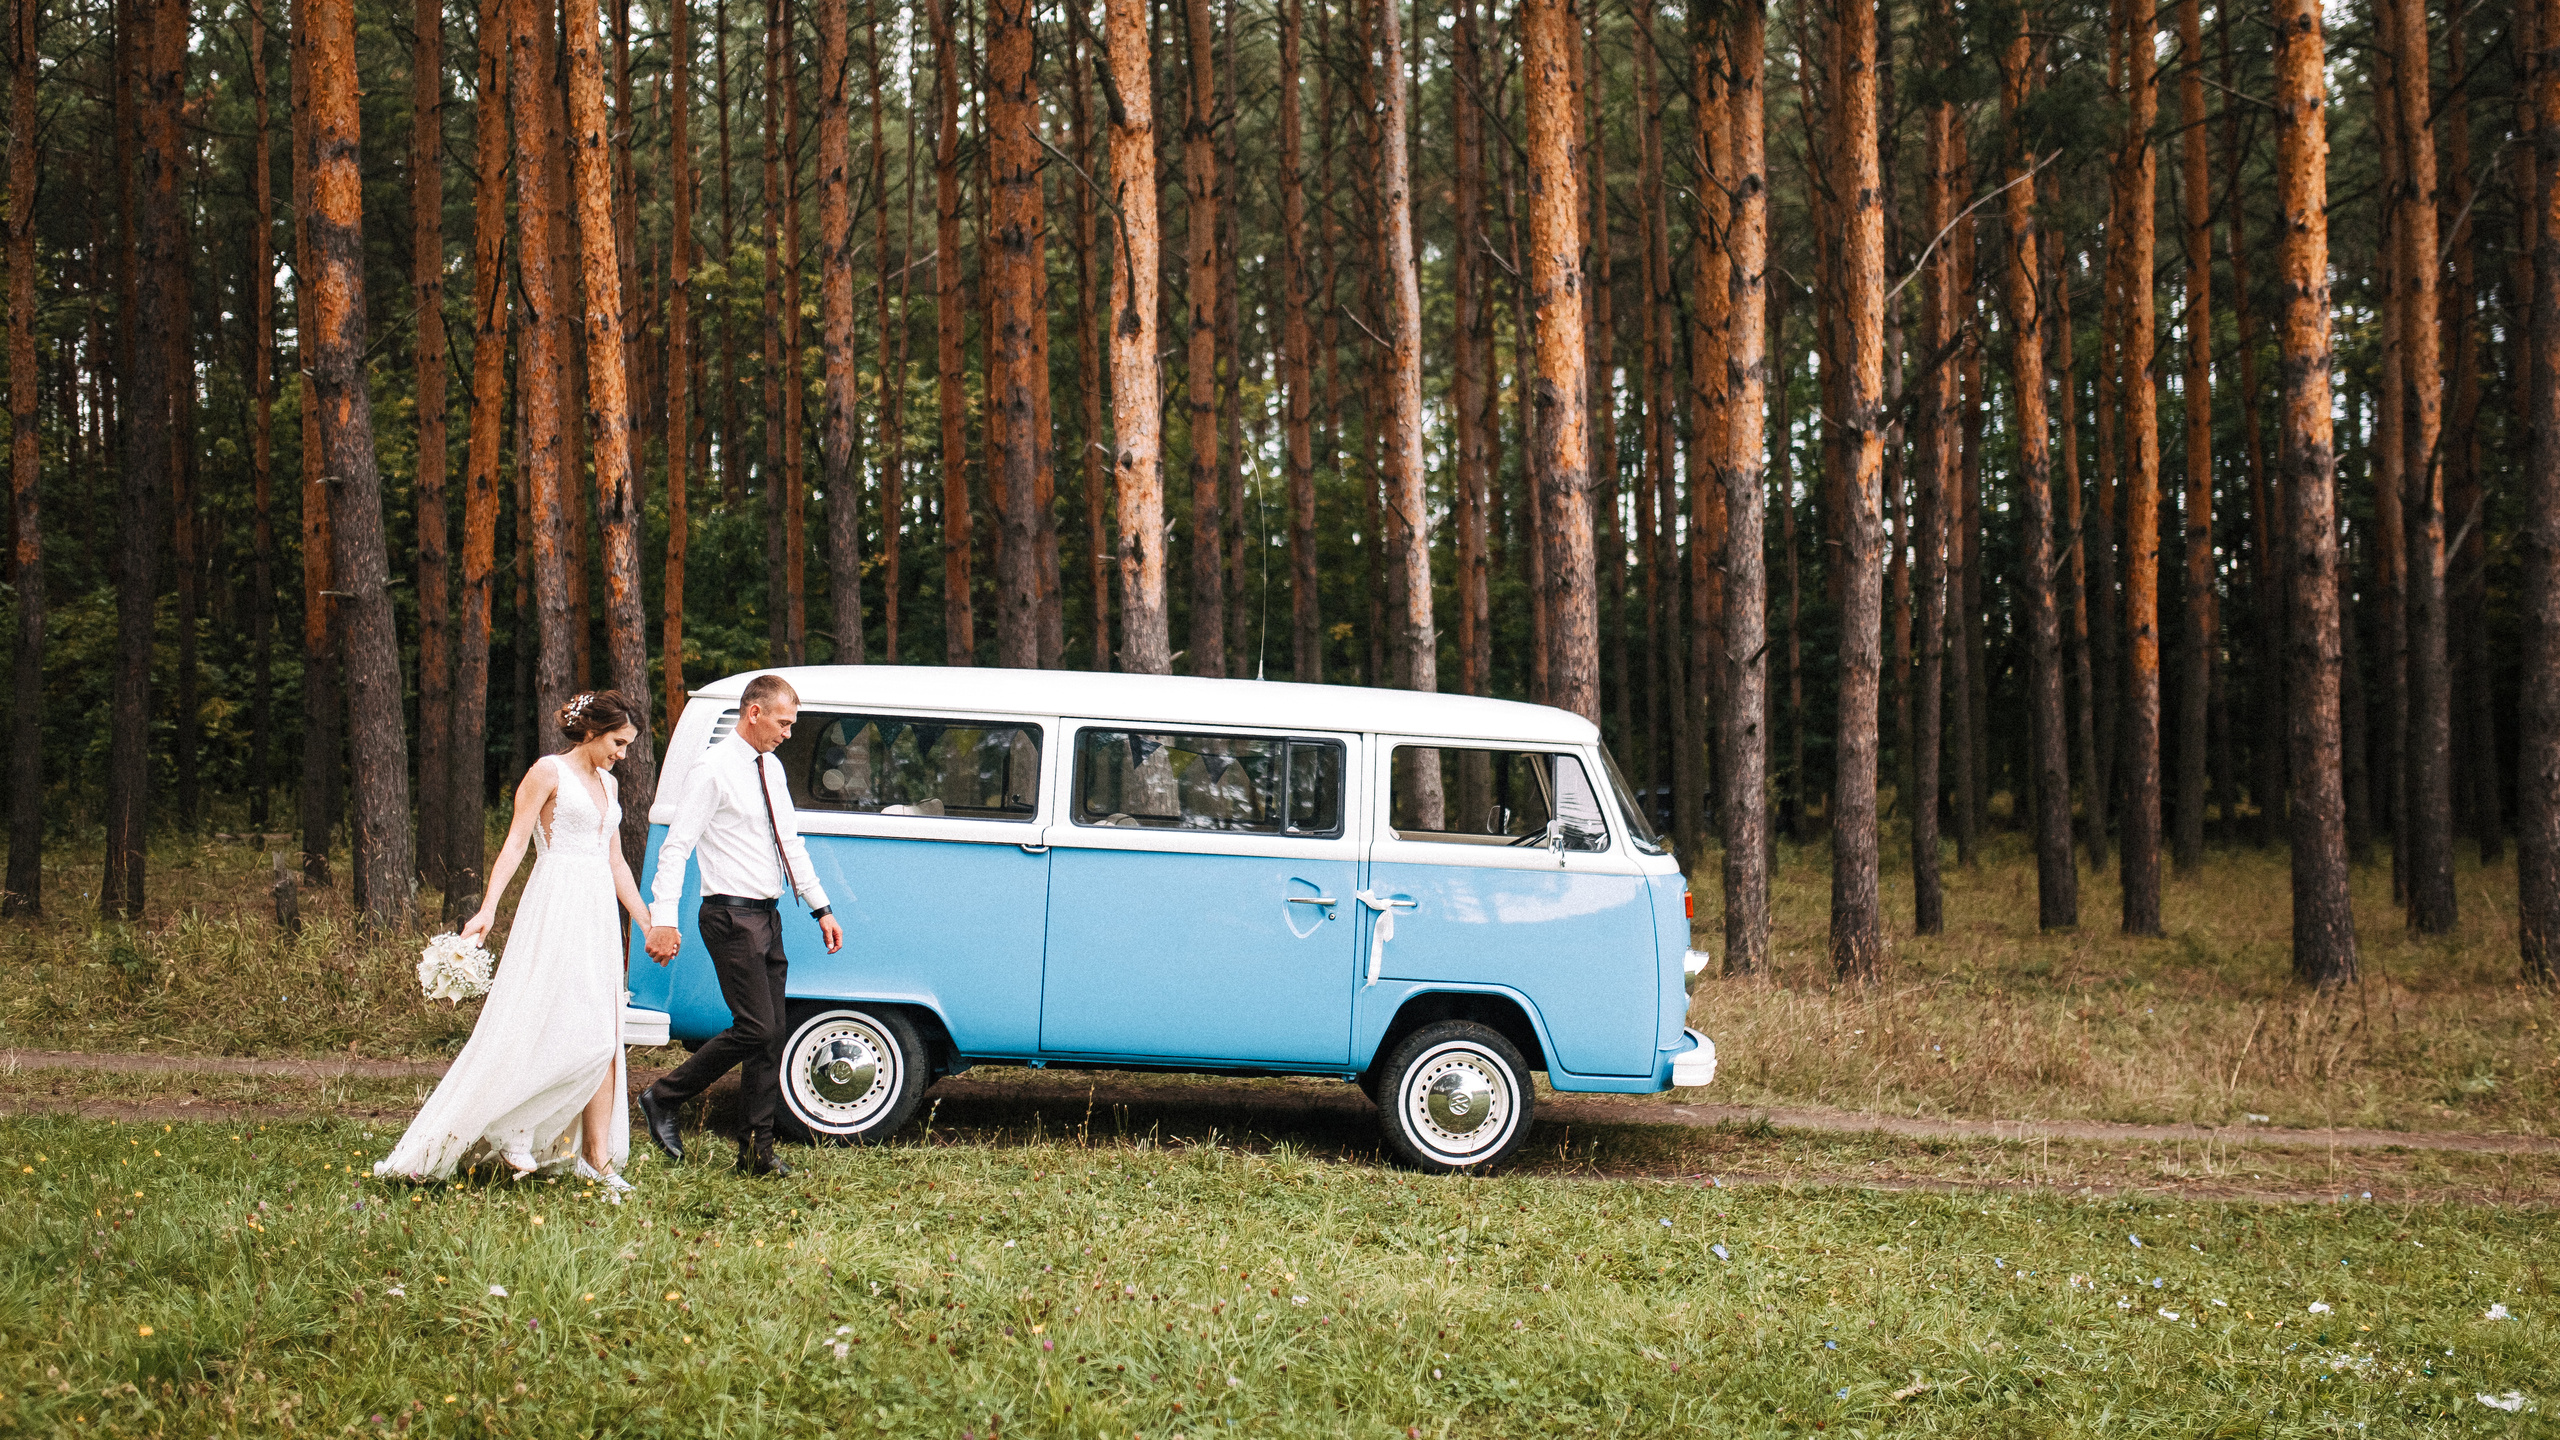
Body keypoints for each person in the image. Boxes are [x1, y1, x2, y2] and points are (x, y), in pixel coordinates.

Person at [375, 691, 651, 1192]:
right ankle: (513, 1125)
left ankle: (597, 1158)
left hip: (597, 916)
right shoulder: (548, 772)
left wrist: (646, 921)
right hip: (555, 904)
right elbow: (517, 841)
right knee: (544, 1022)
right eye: (617, 742)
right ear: (590, 731)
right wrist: (487, 908)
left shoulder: (610, 785)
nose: (622, 754)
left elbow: (615, 862)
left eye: (628, 745)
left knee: (603, 1033)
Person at [636, 672, 844, 1177]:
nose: (788, 733)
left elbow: (789, 843)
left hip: (768, 915)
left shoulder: (771, 769)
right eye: (783, 722)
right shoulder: (711, 770)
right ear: (754, 712)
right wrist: (662, 918)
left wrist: (821, 908)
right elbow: (676, 848)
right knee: (757, 1026)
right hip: (729, 915)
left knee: (770, 1037)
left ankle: (756, 1152)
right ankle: (663, 1096)